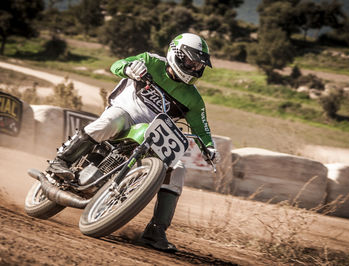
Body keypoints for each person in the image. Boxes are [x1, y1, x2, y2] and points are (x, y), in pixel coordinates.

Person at [47, 33, 220, 252]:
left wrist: (209, 147)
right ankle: (61, 160)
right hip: (126, 114)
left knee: (177, 169)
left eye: (198, 65)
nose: (194, 68)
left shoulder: (194, 99)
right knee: (108, 123)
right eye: (190, 61)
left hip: (154, 134)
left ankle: (156, 231)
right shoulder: (150, 61)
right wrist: (129, 69)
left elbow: (202, 128)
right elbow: (117, 65)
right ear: (176, 53)